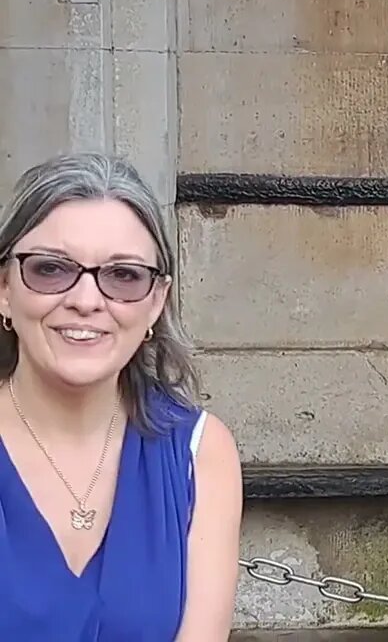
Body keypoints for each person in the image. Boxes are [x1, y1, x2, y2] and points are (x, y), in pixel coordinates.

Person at [0, 153, 243, 641]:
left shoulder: (201, 454)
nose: (87, 301)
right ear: (4, 289)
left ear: (157, 301)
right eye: (50, 269)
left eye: (124, 275)